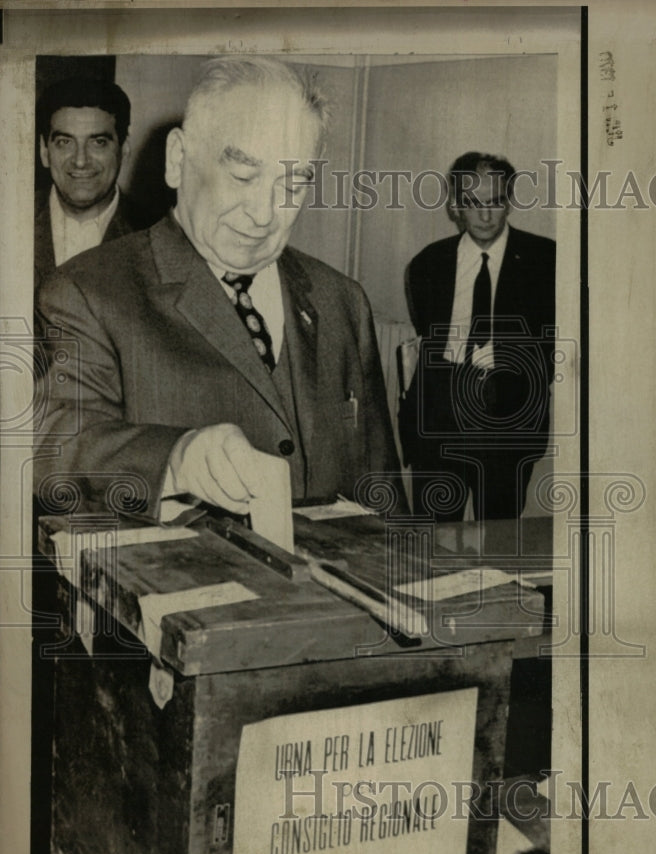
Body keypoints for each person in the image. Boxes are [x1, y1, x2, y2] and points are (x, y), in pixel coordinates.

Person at [33, 56, 404, 521]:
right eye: (243, 175)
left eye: (293, 183)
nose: (265, 213)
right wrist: (175, 458)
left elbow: (384, 494)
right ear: (178, 160)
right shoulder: (88, 290)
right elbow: (55, 447)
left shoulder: (341, 300)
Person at [398, 152, 556, 520]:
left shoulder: (546, 261)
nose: (485, 215)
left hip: (508, 423)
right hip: (440, 419)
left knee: (498, 539)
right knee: (435, 540)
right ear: (455, 206)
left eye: (496, 201)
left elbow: (556, 346)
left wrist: (512, 360)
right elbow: (428, 341)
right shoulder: (426, 265)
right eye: (473, 202)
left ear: (510, 201)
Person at [34, 76, 150, 291]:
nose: (80, 161)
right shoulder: (9, 222)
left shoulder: (158, 237)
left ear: (124, 148)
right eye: (64, 142)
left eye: (98, 142)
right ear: (44, 151)